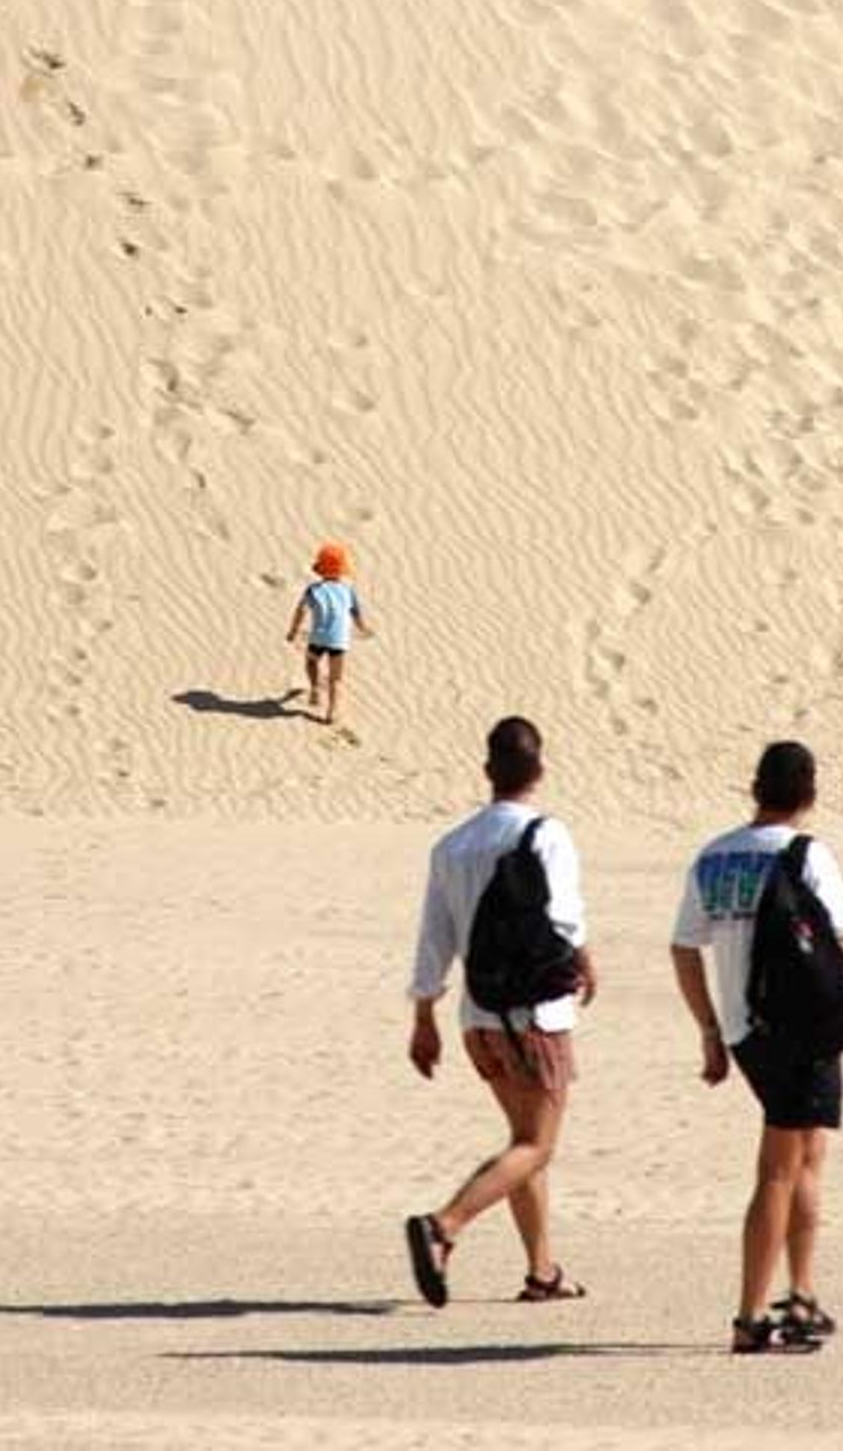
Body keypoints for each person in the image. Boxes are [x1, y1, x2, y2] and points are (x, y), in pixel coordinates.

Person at [405, 716, 597, 1308]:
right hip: (535, 1013)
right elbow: (564, 917)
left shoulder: (452, 846)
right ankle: (444, 1226)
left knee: (521, 1143)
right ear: (539, 769)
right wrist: (586, 961)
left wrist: (424, 1016)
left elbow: (434, 937)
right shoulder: (546, 834)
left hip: (479, 1016)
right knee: (537, 1145)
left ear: (488, 770)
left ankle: (543, 1271)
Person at [669, 741, 843, 1354]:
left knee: (807, 1153)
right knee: (779, 1167)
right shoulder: (808, 854)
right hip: (800, 1027)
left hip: (745, 1030)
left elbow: (685, 946)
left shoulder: (715, 855)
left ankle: (802, 1292)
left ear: (756, 788)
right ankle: (750, 1316)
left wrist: (709, 1027)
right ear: (809, 793)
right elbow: (840, 941)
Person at [284, 541, 371, 725]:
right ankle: (332, 711)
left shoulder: (313, 589)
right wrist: (363, 628)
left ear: (320, 571)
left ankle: (315, 687)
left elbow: (301, 610)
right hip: (339, 640)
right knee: (336, 679)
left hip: (319, 636)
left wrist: (293, 631)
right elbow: (356, 612)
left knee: (311, 660)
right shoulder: (347, 590)